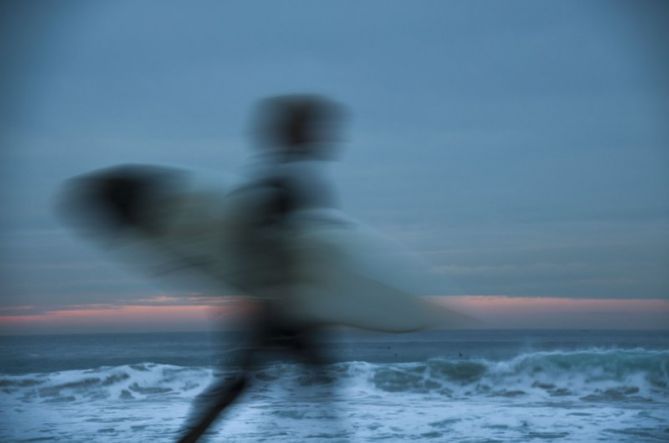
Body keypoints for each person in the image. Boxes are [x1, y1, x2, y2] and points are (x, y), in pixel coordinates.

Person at [175, 94, 346, 443]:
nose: (326, 136)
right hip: (279, 305)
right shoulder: (284, 181)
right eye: (316, 128)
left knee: (241, 384)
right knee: (307, 383)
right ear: (297, 133)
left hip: (275, 303)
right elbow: (262, 240)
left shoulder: (281, 177)